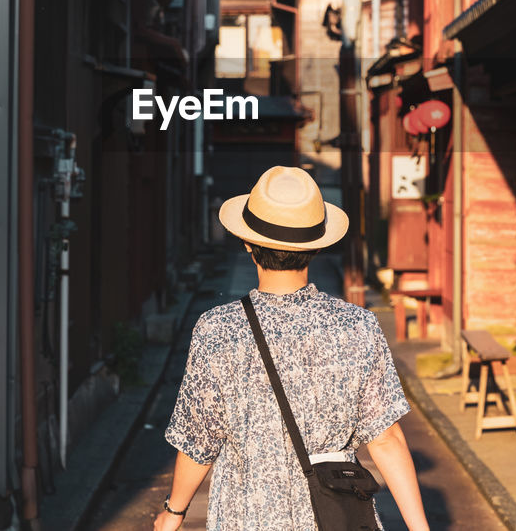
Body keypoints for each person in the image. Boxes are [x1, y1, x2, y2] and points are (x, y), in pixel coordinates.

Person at [155, 166, 430, 531]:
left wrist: (173, 513)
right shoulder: (357, 325)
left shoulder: (218, 330)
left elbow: (198, 440)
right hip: (338, 518)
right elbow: (387, 439)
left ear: (248, 244)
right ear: (315, 247)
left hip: (246, 519)